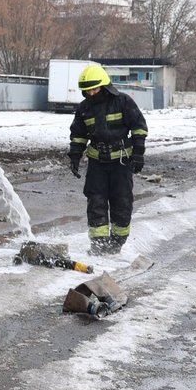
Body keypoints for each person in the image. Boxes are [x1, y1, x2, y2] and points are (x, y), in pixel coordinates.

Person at [67, 63, 148, 254]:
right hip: (97, 165)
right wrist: (75, 156)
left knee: (122, 203)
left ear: (104, 86)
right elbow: (78, 134)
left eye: (94, 89)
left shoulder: (123, 102)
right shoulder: (84, 108)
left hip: (121, 163)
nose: (91, 94)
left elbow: (139, 127)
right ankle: (99, 244)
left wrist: (138, 153)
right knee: (96, 202)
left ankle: (117, 242)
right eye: (87, 91)